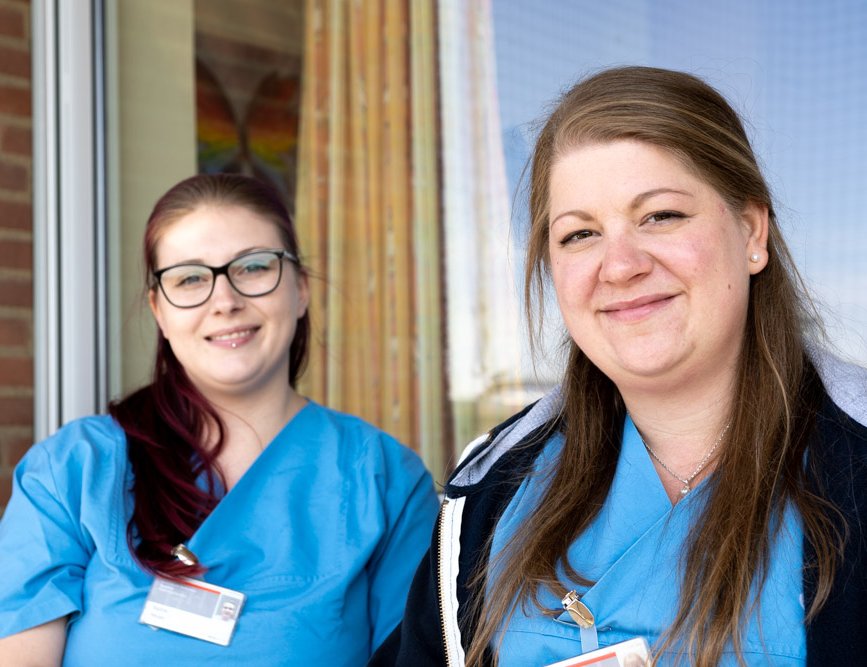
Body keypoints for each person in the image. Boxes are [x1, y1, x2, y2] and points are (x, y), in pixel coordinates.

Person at [370, 66, 867, 666]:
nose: (620, 264)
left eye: (660, 216)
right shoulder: (491, 493)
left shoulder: (856, 470)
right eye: (579, 235)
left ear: (751, 231)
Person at [0, 173, 440, 665]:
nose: (224, 300)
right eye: (189, 278)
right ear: (159, 312)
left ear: (300, 290)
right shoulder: (73, 472)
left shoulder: (385, 482)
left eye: (252, 267)